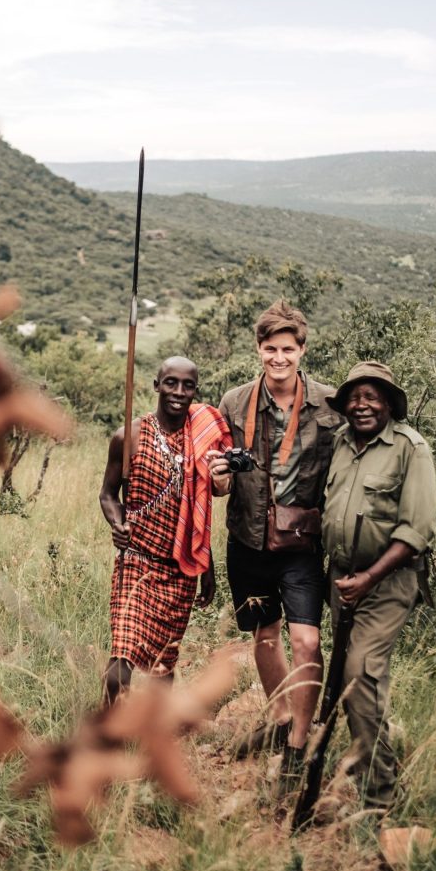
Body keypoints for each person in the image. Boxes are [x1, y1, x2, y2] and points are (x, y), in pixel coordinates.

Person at [207, 300, 341, 792]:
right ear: (258, 349)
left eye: (287, 349)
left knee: (307, 641)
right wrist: (218, 478)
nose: (278, 358)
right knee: (264, 637)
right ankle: (281, 718)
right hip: (247, 539)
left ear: (302, 350)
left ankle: (297, 747)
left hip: (302, 545)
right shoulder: (234, 402)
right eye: (270, 349)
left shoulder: (330, 404)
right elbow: (217, 480)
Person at [321, 360, 436, 815]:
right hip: (341, 579)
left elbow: (416, 531)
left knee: (360, 673)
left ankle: (380, 801)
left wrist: (368, 579)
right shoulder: (341, 443)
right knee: (349, 680)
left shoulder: (411, 448)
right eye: (354, 396)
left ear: (389, 403)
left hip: (385, 581)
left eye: (372, 396)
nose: (361, 404)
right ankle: (369, 765)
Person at [99, 356, 231, 703]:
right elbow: (108, 495)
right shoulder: (128, 437)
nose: (179, 392)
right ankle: (107, 735)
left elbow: (198, 512)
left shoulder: (201, 443)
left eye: (188, 385)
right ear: (157, 385)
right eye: (171, 383)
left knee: (163, 665)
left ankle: (152, 739)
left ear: (196, 391)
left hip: (180, 570)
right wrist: (118, 523)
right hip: (137, 561)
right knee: (121, 659)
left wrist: (208, 568)